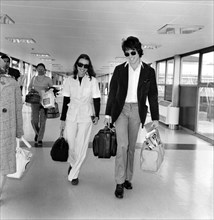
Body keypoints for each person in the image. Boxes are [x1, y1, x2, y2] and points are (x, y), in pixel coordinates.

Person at [104, 36, 159, 199]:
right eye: (126, 53)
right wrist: (108, 113)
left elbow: (153, 95)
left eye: (132, 52)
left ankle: (128, 178)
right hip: (121, 110)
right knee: (122, 145)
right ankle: (119, 182)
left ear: (139, 51)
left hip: (137, 110)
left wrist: (155, 117)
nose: (130, 56)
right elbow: (112, 92)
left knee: (130, 147)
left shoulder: (149, 71)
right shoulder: (120, 69)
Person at [60, 54, 101, 185]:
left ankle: (74, 173)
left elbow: (96, 99)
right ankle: (72, 163)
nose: (83, 68)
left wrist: (97, 115)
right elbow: (66, 100)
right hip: (71, 114)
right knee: (71, 144)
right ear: (76, 65)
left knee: (81, 145)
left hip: (86, 115)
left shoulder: (92, 81)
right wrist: (62, 120)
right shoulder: (69, 80)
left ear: (89, 67)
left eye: (86, 66)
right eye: (80, 65)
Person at [0, 58, 24, 202]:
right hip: (6, 127)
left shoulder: (12, 84)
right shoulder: (13, 83)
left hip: (5, 127)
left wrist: (19, 130)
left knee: (2, 163)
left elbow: (17, 108)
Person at [28, 63, 53, 147]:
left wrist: (48, 90)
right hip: (35, 101)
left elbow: (52, 89)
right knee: (34, 120)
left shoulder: (48, 79)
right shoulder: (33, 78)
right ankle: (38, 133)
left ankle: (39, 139)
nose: (40, 70)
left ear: (44, 70)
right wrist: (31, 90)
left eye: (42, 69)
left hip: (45, 102)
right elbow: (29, 87)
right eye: (39, 69)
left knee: (42, 121)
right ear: (36, 70)